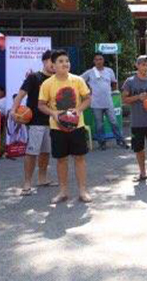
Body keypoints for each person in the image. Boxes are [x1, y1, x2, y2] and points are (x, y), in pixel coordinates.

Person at [38, 49, 92, 204]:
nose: (65, 64)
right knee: (61, 160)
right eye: (60, 61)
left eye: (67, 61)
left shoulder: (78, 80)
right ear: (53, 65)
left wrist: (79, 109)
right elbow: (41, 105)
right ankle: (63, 192)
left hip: (77, 126)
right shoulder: (47, 84)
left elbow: (87, 99)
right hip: (57, 128)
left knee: (79, 158)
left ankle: (83, 191)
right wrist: (53, 113)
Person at [11, 51, 55, 195]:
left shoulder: (57, 79)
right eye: (51, 61)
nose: (53, 64)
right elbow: (21, 94)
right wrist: (13, 110)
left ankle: (42, 178)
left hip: (52, 121)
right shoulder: (34, 77)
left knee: (45, 152)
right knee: (32, 153)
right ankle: (27, 182)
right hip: (35, 121)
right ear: (44, 61)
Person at [81, 53, 126, 150]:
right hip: (96, 103)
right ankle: (102, 143)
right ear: (94, 61)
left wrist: (112, 91)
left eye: (100, 59)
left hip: (108, 102)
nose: (99, 61)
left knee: (114, 122)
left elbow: (114, 82)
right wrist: (87, 90)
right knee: (99, 124)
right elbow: (79, 80)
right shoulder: (90, 72)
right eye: (96, 59)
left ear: (103, 60)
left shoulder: (109, 71)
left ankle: (120, 141)